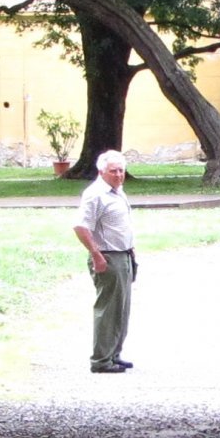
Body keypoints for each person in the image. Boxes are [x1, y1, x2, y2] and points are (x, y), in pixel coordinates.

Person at [72, 149, 136, 374]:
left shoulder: (117, 191)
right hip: (108, 256)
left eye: (121, 170)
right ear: (101, 171)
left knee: (122, 309)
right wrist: (96, 255)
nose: (119, 175)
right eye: (113, 171)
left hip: (124, 255)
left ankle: (114, 354)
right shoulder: (95, 194)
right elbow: (81, 227)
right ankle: (101, 360)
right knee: (108, 309)